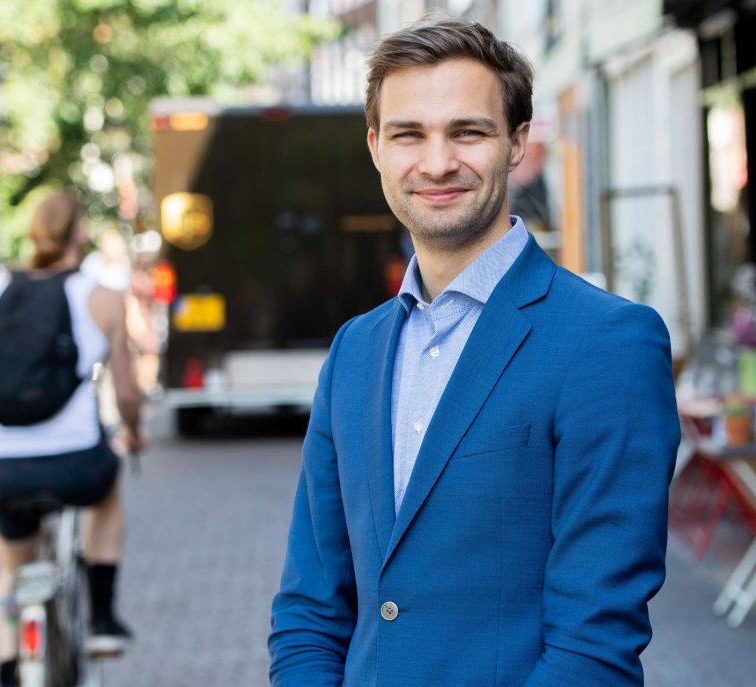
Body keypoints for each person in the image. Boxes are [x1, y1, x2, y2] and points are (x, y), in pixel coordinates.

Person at [268, 14, 680, 687]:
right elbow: (311, 609)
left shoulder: (608, 342)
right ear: (375, 146)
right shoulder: (355, 350)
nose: (436, 162)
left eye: (468, 131)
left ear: (517, 141)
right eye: (408, 134)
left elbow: (593, 645)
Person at [0, 192, 144, 687]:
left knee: (8, 571)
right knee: (106, 495)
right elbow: (126, 391)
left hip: (6, 469)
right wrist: (132, 434)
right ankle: (103, 618)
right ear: (80, 235)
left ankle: (9, 666)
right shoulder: (103, 296)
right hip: (77, 465)